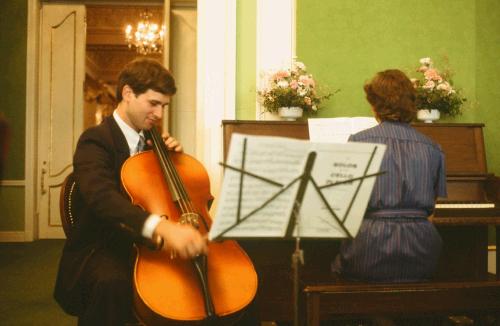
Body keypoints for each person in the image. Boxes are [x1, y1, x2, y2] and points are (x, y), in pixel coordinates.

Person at [54, 58, 209, 325]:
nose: (160, 114)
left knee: (208, 274)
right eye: (153, 104)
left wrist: (175, 164)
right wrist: (161, 228)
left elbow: (167, 199)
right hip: (105, 245)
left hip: (150, 245)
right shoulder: (95, 140)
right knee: (112, 283)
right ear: (127, 93)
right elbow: (102, 198)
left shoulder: (154, 141)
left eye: (164, 106)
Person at [333, 69, 447, 283]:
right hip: (423, 253)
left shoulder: (358, 142)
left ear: (375, 105)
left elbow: (346, 207)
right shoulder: (433, 148)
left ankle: (367, 316)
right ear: (411, 104)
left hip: (370, 251)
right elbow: (432, 212)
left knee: (328, 264)